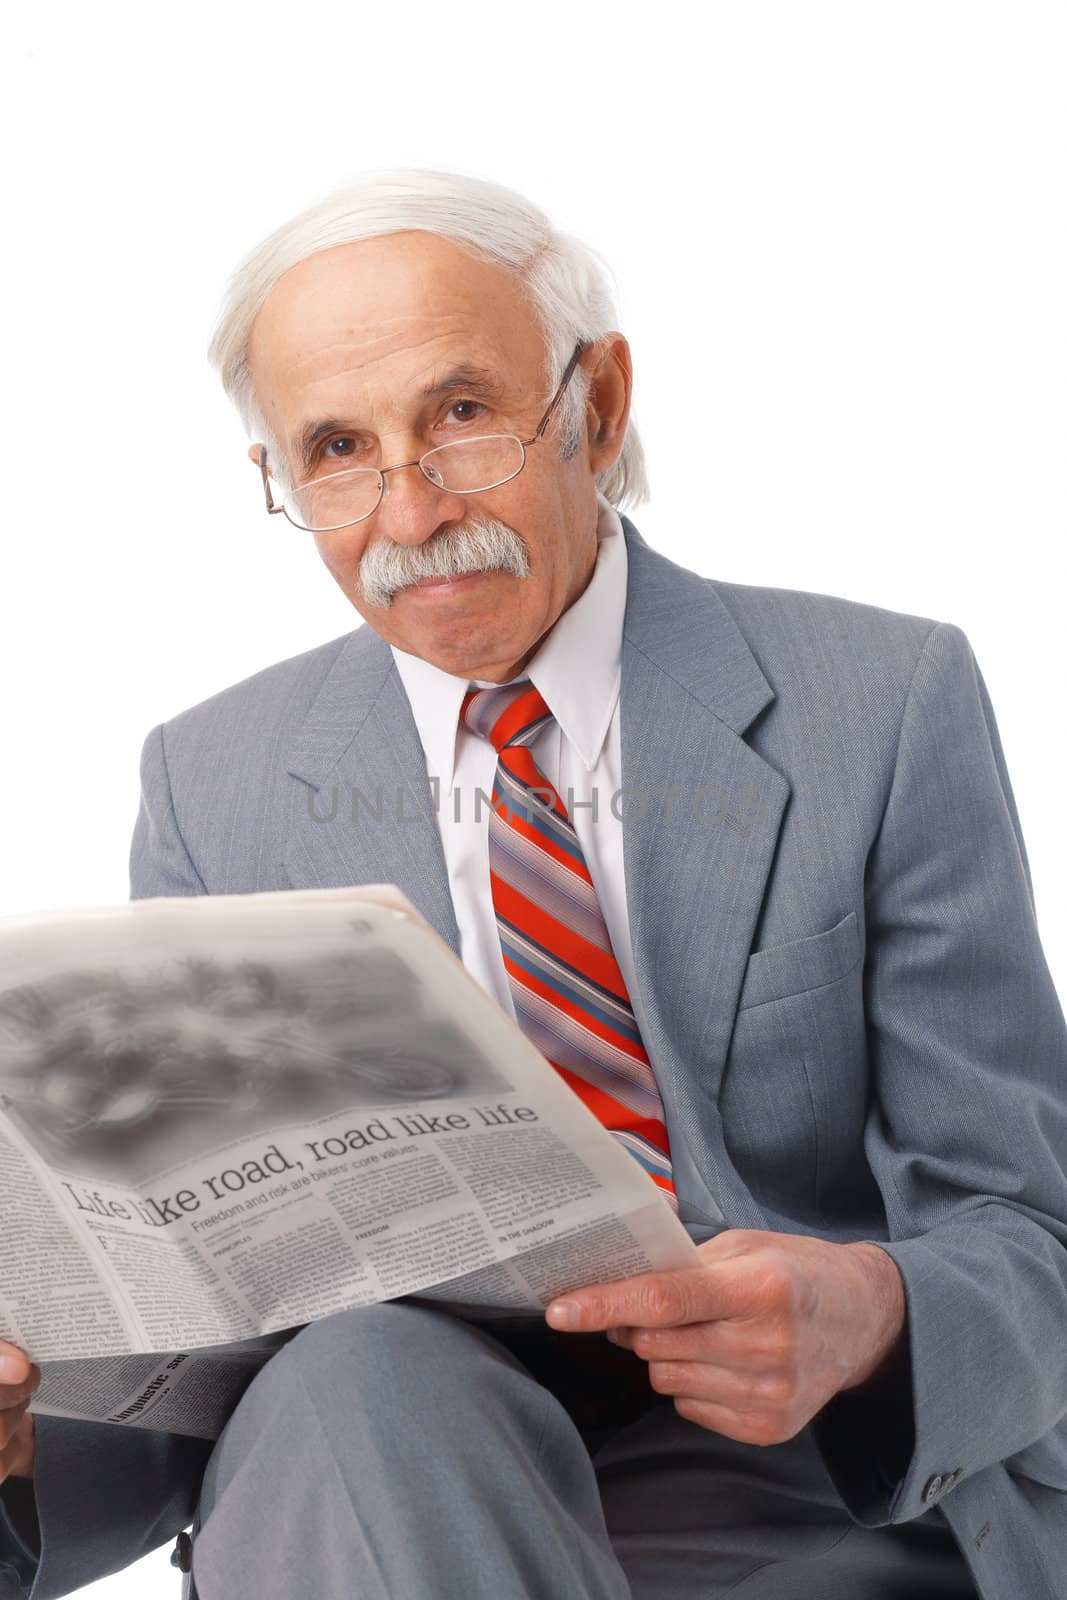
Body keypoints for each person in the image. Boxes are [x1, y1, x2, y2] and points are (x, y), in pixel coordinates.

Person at [1, 167, 1065, 1600]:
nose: (411, 511)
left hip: (792, 1468)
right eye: (333, 448)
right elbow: (217, 1327)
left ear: (599, 406)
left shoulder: (879, 704)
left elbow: (1029, 1230)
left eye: (461, 416)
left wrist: (872, 1310)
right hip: (370, 1452)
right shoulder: (215, 780)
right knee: (360, 1373)